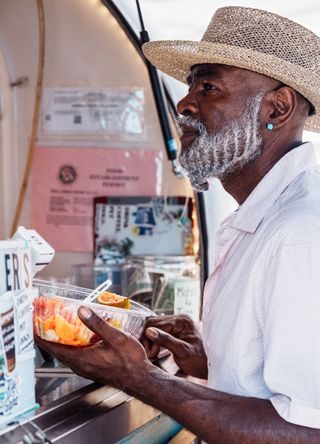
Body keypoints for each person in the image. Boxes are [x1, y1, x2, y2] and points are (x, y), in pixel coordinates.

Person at [36, 6, 320, 443]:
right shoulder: (267, 218)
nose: (185, 103)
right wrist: (210, 359)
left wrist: (140, 378)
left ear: (277, 108)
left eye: (209, 86)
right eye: (190, 85)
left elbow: (306, 432)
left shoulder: (300, 233)